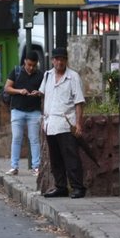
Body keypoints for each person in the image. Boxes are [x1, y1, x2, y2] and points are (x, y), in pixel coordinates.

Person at [39, 47, 87, 199]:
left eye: (62, 59)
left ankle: (78, 187)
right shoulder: (47, 76)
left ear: (66, 60)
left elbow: (79, 102)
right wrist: (43, 118)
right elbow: (43, 96)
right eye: (57, 59)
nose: (59, 62)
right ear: (52, 60)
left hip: (66, 124)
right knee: (55, 159)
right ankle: (61, 187)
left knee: (71, 158)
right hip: (50, 124)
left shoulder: (73, 77)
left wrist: (79, 124)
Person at [3, 50, 44, 176]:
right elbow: (7, 88)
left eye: (34, 65)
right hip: (17, 110)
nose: (31, 68)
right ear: (25, 61)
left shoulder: (40, 75)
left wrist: (39, 93)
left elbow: (45, 91)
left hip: (34, 112)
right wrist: (20, 91)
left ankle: (36, 167)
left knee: (34, 139)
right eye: (29, 65)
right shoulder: (16, 72)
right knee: (16, 139)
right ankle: (14, 167)